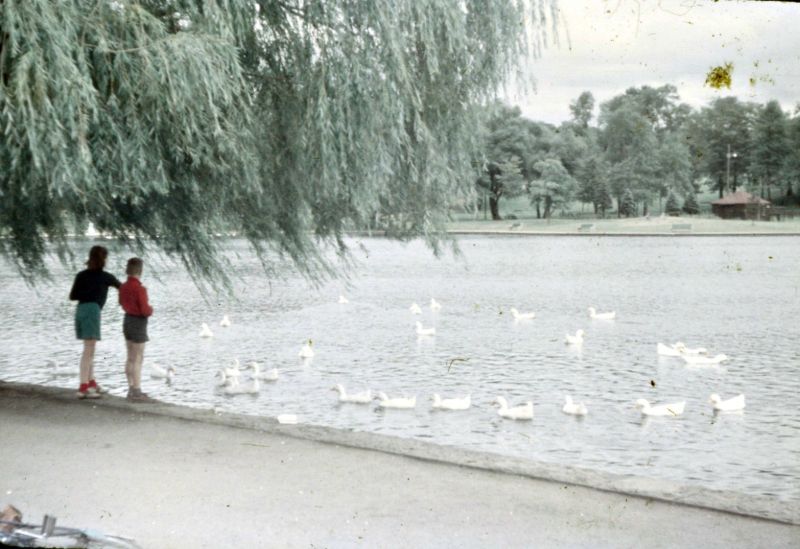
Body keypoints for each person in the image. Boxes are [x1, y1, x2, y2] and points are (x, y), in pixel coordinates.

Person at [69, 246, 121, 399]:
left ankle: (91, 382)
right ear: (104, 259)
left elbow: (73, 296)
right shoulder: (106, 277)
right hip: (93, 310)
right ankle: (83, 387)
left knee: (90, 349)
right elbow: (122, 288)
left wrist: (87, 291)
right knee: (88, 351)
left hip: (80, 310)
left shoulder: (81, 275)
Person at [119, 257, 154, 401]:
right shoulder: (140, 289)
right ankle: (137, 390)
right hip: (138, 322)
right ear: (140, 270)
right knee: (138, 358)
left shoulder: (123, 287)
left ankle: (130, 387)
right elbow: (145, 310)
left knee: (130, 357)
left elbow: (121, 302)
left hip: (127, 320)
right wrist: (151, 309)